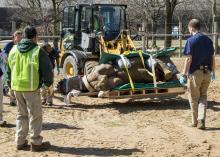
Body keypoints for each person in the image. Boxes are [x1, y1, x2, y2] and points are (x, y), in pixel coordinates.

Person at [8, 26, 53, 151]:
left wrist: (9, 83)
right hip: (31, 88)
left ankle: (20, 141)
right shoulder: (38, 51)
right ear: (35, 37)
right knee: (35, 115)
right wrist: (48, 84)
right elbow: (47, 69)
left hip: (16, 87)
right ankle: (36, 142)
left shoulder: (14, 49)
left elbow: (8, 68)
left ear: (23, 36)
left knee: (21, 115)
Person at [181, 19, 215, 130]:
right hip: (207, 73)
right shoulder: (208, 40)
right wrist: (213, 71)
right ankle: (201, 119)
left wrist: (183, 74)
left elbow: (188, 59)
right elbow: (212, 57)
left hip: (195, 73)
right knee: (203, 96)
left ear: (191, 28)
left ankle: (195, 121)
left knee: (193, 97)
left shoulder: (191, 41)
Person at [2, 31, 22, 106]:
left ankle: (19, 100)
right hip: (11, 67)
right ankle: (12, 100)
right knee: (11, 83)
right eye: (18, 37)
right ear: (14, 37)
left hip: (20, 67)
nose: (19, 38)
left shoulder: (22, 45)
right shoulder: (9, 45)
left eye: (21, 37)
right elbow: (5, 56)